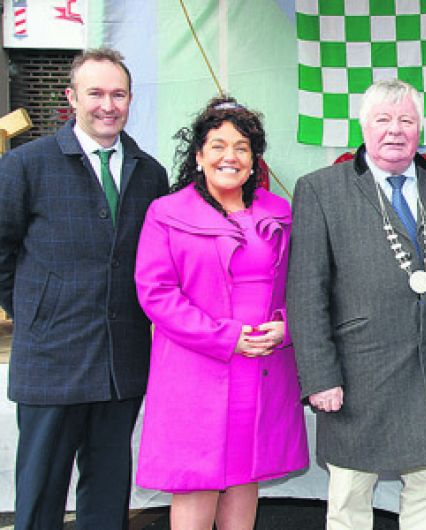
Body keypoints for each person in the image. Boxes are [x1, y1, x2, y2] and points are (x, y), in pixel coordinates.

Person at [0, 48, 169, 529]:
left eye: (118, 94)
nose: (107, 105)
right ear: (72, 97)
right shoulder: (26, 166)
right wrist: (36, 310)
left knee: (109, 491)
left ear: (131, 99)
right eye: (95, 93)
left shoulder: (149, 173)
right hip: (51, 360)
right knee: (41, 493)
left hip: (121, 363)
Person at [287, 78, 426, 530]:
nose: (395, 130)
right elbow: (306, 292)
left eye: (406, 120)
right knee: (349, 500)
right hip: (354, 378)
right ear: (363, 126)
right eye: (383, 120)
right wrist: (319, 377)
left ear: (420, 128)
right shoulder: (321, 189)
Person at [134, 96, 308, 529]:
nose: (230, 156)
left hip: (264, 369)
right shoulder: (166, 213)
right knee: (197, 481)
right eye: (217, 145)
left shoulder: (279, 211)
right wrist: (227, 337)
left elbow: (305, 285)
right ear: (198, 155)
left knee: (247, 475)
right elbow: (156, 294)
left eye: (242, 147)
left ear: (254, 160)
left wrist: (285, 327)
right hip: (197, 372)